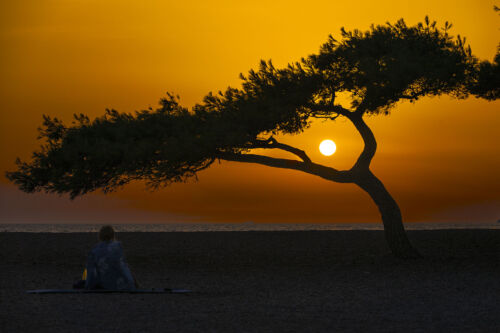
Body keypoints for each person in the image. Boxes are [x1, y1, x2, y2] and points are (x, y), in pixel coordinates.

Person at [83, 225, 137, 290]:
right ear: (113, 235)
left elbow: (91, 271)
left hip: (106, 284)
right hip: (123, 284)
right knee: (125, 265)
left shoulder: (95, 250)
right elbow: (123, 266)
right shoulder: (117, 247)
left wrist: (88, 285)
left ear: (100, 236)